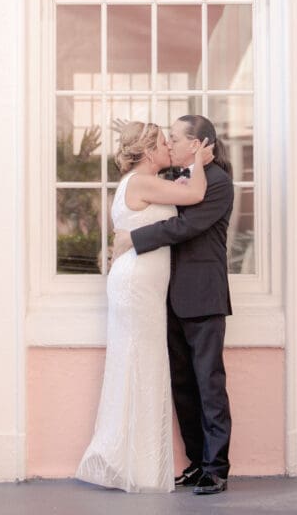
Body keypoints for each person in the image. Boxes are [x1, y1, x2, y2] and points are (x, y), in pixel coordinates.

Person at [76, 120, 213, 493]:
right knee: (143, 366)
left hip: (140, 286)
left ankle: (137, 464)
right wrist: (199, 160)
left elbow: (179, 192)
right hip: (136, 285)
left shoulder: (143, 184)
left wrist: (186, 173)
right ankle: (136, 468)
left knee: (142, 366)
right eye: (163, 143)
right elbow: (197, 193)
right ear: (149, 151)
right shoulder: (141, 181)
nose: (169, 146)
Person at [112, 114, 234, 496]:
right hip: (166, 297)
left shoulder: (217, 185)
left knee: (209, 384)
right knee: (183, 385)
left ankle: (217, 468)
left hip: (203, 296)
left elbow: (185, 229)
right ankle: (197, 463)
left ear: (196, 145)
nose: (171, 145)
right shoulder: (174, 180)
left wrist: (134, 238)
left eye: (176, 139)